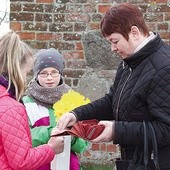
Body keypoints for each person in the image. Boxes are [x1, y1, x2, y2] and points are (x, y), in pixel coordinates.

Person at [56, 3, 170, 170]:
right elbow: (112, 101)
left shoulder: (164, 67)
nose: (112, 48)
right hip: (133, 161)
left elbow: (165, 129)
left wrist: (116, 130)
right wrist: (77, 114)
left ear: (134, 32)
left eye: (115, 41)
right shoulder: (128, 63)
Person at [0, 31, 64, 169]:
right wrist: (51, 148)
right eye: (27, 72)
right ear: (17, 68)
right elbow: (22, 161)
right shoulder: (12, 108)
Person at [22, 48, 88, 170]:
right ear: (36, 75)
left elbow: (83, 144)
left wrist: (72, 138)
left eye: (54, 72)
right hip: (39, 165)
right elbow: (23, 138)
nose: (49, 78)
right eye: (43, 73)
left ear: (61, 73)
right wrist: (50, 133)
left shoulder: (73, 100)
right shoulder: (26, 103)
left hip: (68, 165)